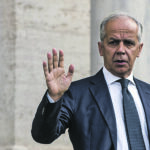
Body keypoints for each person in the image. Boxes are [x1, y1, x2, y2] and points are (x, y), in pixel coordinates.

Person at [31, 13, 150, 150]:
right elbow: (42, 136)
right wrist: (54, 97)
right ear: (101, 48)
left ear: (139, 49)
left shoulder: (148, 94)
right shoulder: (76, 94)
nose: (121, 50)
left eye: (129, 43)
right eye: (113, 42)